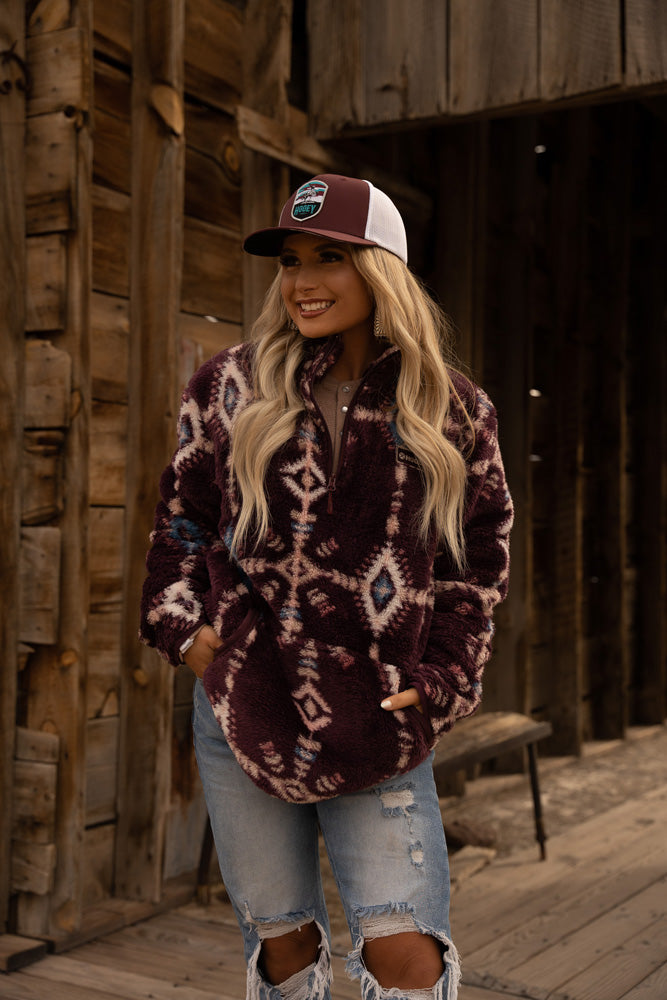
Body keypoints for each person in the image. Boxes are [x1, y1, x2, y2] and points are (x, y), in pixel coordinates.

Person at [140, 174, 513, 1000]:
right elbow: (180, 525)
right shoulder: (228, 388)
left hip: (376, 724)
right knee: (282, 945)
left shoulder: (452, 411)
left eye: (329, 258)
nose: (303, 281)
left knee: (403, 954)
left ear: (380, 268)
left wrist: (444, 680)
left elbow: (475, 566)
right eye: (290, 261)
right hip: (245, 706)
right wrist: (194, 639)